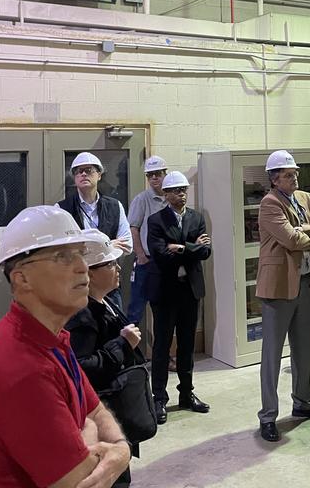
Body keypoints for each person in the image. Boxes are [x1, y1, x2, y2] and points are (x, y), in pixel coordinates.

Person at [0, 205, 131, 488]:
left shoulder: (54, 340)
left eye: (80, 253)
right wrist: (93, 434)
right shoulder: (20, 369)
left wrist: (120, 449)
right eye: (63, 257)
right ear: (21, 278)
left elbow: (96, 412)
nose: (82, 267)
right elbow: (80, 481)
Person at [256, 150, 310, 443]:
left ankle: (303, 402)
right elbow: (291, 239)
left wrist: (306, 228)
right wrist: (307, 233)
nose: (295, 178)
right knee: (272, 355)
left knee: (304, 347)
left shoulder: (305, 198)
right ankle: (268, 416)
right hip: (278, 287)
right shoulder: (269, 203)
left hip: (303, 283)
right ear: (275, 179)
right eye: (289, 174)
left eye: (296, 173)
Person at [66, 237, 152, 488]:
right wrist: (122, 346)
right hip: (100, 415)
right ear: (89, 273)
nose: (118, 269)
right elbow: (81, 367)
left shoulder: (105, 303)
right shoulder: (82, 314)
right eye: (110, 264)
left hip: (115, 411)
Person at [143, 171, 211, 424]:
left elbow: (206, 251)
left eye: (184, 189)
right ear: (166, 194)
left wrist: (181, 248)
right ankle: (159, 397)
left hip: (190, 290)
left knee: (186, 345)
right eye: (175, 190)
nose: (181, 193)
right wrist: (192, 248)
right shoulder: (156, 220)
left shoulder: (196, 218)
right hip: (165, 290)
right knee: (162, 345)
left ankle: (186, 394)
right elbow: (160, 254)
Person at [57, 152, 133, 307]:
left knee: (113, 328)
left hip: (108, 285)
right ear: (74, 178)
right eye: (79, 171)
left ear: (99, 175)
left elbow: (128, 245)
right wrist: (110, 246)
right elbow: (61, 249)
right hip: (76, 284)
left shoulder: (114, 206)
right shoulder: (61, 209)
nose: (83, 174)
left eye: (89, 170)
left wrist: (84, 249)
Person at [126, 155, 169, 327]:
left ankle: (161, 353)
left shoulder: (170, 198)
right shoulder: (142, 200)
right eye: (149, 175)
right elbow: (133, 228)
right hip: (147, 261)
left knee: (163, 308)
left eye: (157, 173)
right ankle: (129, 350)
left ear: (165, 173)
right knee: (136, 307)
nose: (153, 178)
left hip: (165, 260)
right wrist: (141, 255)